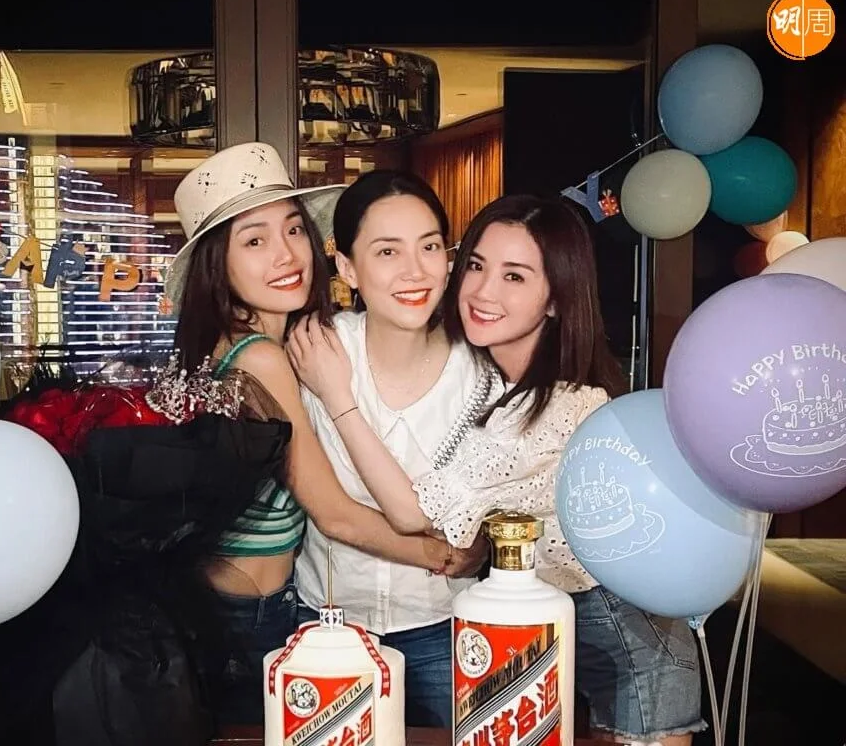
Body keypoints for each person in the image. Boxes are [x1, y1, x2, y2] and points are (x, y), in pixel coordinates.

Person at [288, 193, 705, 745]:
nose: (484, 291)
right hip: (555, 624)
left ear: (555, 300)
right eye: (477, 267)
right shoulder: (492, 379)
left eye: (515, 277)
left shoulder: (554, 406)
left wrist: (337, 397)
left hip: (634, 641)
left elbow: (413, 513)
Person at [164, 143, 484, 726]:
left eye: (293, 230)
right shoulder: (262, 357)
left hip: (264, 606)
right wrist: (443, 554)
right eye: (254, 241)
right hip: (254, 615)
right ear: (218, 264)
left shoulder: (282, 346)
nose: (286, 254)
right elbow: (333, 514)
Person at [285, 170, 500, 728]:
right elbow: (328, 508)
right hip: (329, 625)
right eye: (387, 251)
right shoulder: (314, 353)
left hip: (445, 625)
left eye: (429, 246)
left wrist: (474, 544)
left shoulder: (483, 377)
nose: (414, 271)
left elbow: (479, 520)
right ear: (348, 267)